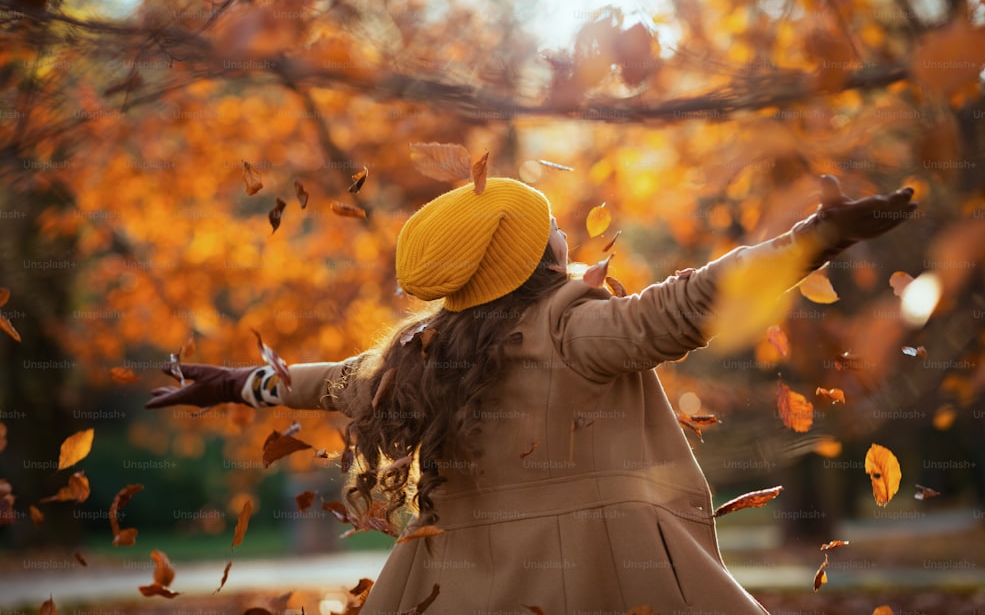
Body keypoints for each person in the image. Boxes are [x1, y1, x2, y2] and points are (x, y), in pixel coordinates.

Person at [148, 176, 916, 613]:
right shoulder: (575, 330)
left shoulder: (425, 354)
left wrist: (239, 385)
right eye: (548, 225)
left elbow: (336, 383)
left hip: (457, 586)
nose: (560, 230)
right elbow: (691, 301)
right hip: (603, 581)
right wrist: (814, 237)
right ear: (536, 253)